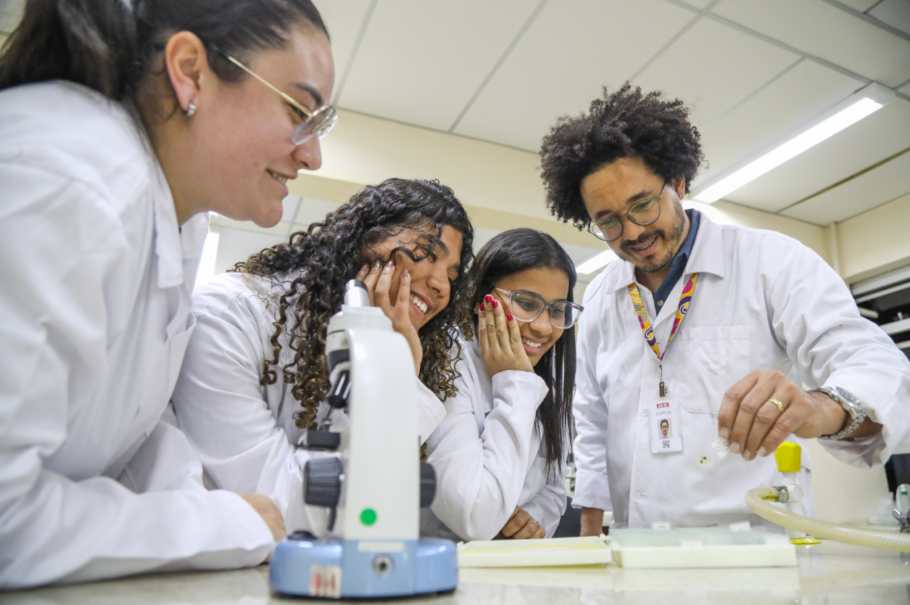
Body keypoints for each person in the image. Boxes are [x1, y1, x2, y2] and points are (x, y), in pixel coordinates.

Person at [0, 0, 336, 587]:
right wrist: (223, 523)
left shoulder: (178, 220)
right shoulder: (75, 177)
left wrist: (213, 513)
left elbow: (132, 429)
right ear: (189, 71)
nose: (312, 154)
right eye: (298, 111)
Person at [538, 84, 910, 535]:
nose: (632, 231)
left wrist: (819, 408)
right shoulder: (600, 297)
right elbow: (594, 417)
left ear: (677, 181)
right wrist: (590, 531)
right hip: (638, 549)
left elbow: (874, 361)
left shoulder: (771, 262)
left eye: (642, 205)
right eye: (608, 221)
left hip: (757, 544)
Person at [171, 178, 475, 535]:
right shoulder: (230, 316)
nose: (442, 286)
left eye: (452, 275)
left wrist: (393, 374)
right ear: (365, 239)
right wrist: (393, 383)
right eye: (429, 253)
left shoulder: (391, 346)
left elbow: (373, 512)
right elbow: (281, 503)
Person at [423, 229, 580, 541]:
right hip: (440, 565)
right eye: (526, 302)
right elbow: (474, 515)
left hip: (511, 566)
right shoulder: (446, 359)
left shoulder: (549, 374)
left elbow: (551, 490)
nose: (542, 326)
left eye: (557, 309)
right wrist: (515, 384)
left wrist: (527, 525)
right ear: (483, 295)